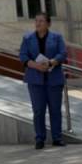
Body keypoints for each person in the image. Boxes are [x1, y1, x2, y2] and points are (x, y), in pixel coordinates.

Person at [19, 12, 68, 150]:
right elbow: (23, 56)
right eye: (36, 21)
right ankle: (40, 139)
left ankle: (57, 138)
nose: (38, 23)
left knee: (55, 110)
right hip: (35, 80)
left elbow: (63, 53)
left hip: (54, 79)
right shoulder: (27, 38)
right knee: (38, 110)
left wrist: (51, 62)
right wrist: (36, 66)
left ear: (48, 23)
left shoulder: (57, 37)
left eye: (41, 21)